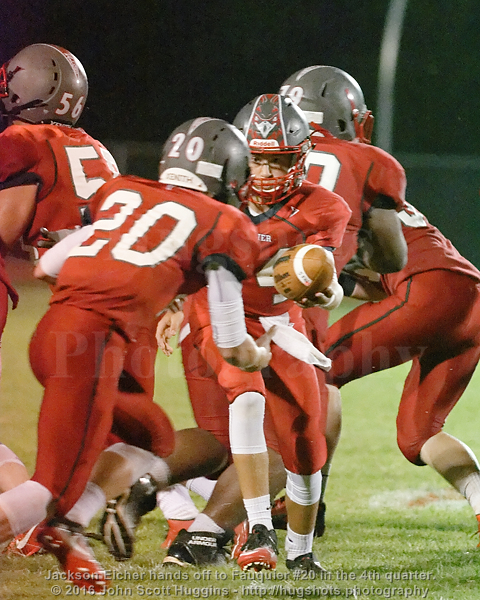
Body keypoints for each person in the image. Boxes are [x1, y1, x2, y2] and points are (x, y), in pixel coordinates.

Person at [0, 116, 274, 590]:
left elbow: (47, 266)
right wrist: (260, 354)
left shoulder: (123, 192)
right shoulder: (223, 223)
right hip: (92, 345)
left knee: (155, 437)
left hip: (50, 336)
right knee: (49, 490)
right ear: (230, 177)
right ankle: (59, 521)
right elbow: (232, 342)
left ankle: (69, 531)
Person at [158, 94, 351, 573]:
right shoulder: (221, 193)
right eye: (258, 161)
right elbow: (185, 251)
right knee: (245, 396)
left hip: (283, 324)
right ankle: (256, 523)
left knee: (306, 443)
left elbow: (325, 280)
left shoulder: (325, 207)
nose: (264, 175)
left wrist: (325, 292)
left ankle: (302, 553)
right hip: (223, 315)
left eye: (278, 161)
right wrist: (176, 302)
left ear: (301, 156)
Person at [272, 65, 408, 531]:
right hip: (300, 298)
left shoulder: (262, 149)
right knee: (313, 399)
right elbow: (393, 258)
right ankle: (300, 503)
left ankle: (185, 505)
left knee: (236, 412)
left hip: (233, 284)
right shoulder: (367, 161)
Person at [0, 43, 119, 536]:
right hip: (119, 298)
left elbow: (6, 229)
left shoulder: (20, 140)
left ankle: (33, 518)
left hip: (72, 308)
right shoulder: (98, 149)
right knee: (127, 432)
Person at [324, 197, 480, 541]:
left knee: (317, 369)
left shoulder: (337, 198)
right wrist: (339, 283)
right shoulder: (387, 204)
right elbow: (385, 284)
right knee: (418, 436)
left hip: (428, 293)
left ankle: (305, 499)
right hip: (470, 303)